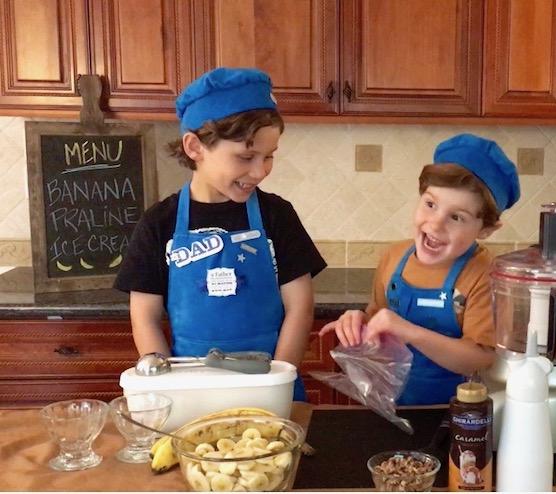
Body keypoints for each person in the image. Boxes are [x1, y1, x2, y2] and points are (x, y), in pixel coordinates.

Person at [114, 67, 327, 401]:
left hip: (272, 383)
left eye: (268, 156)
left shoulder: (277, 216)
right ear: (195, 146)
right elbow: (145, 317)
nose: (260, 171)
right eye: (246, 157)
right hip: (189, 389)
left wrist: (276, 382)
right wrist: (164, 386)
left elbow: (300, 307)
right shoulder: (158, 224)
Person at [319, 133, 520, 405]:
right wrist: (358, 324)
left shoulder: (484, 274)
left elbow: (480, 359)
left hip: (458, 414)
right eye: (430, 204)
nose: (435, 224)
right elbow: (380, 328)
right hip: (391, 407)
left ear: (486, 229)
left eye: (457, 217)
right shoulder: (393, 257)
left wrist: (410, 331)